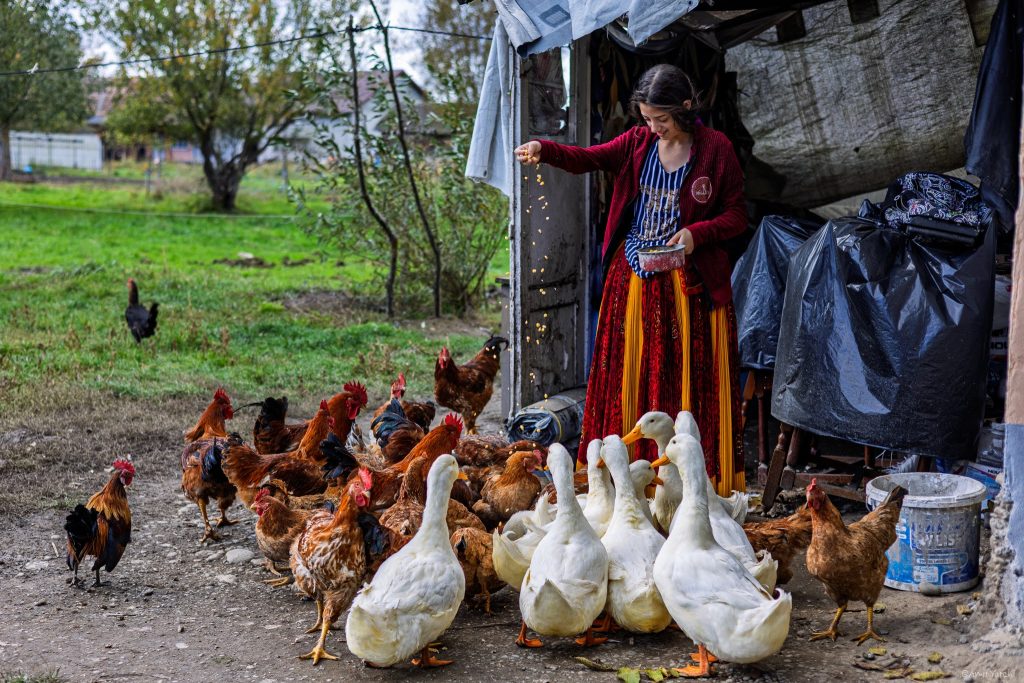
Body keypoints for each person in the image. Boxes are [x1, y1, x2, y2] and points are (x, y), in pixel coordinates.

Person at [514, 64, 747, 495]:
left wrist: (697, 234)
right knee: (628, 373)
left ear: (687, 107)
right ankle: (622, 480)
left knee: (684, 378)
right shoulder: (639, 143)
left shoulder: (716, 150)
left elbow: (737, 215)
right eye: (646, 118)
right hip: (634, 281)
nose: (652, 127)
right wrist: (545, 149)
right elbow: (590, 158)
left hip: (689, 289)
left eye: (661, 119)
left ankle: (691, 483)